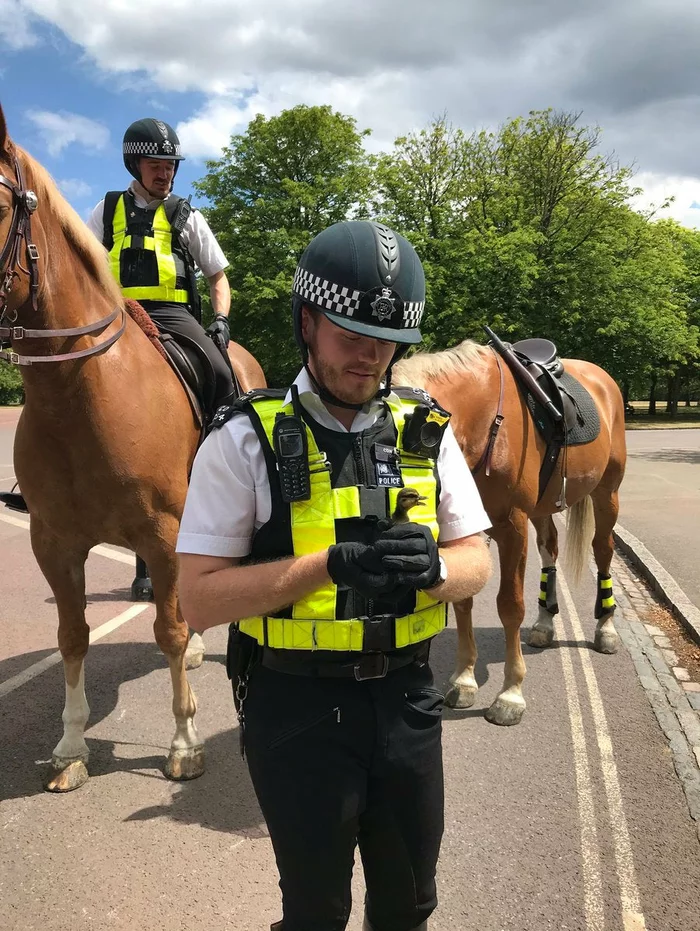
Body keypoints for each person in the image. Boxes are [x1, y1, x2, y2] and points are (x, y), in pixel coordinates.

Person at [176, 220, 493, 931]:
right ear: (307, 323)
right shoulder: (242, 439)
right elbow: (196, 599)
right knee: (316, 910)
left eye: (386, 341)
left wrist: (438, 568)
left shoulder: (426, 430)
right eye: (351, 335)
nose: (371, 355)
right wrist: (324, 566)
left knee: (410, 903)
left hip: (410, 697)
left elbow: (479, 560)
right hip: (296, 707)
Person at [86, 117, 236, 409]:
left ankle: (225, 441)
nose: (164, 174)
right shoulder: (107, 209)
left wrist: (221, 320)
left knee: (222, 374)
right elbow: (83, 263)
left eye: (169, 166)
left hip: (172, 314)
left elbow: (217, 277)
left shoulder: (187, 215)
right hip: (116, 311)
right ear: (135, 165)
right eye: (155, 166)